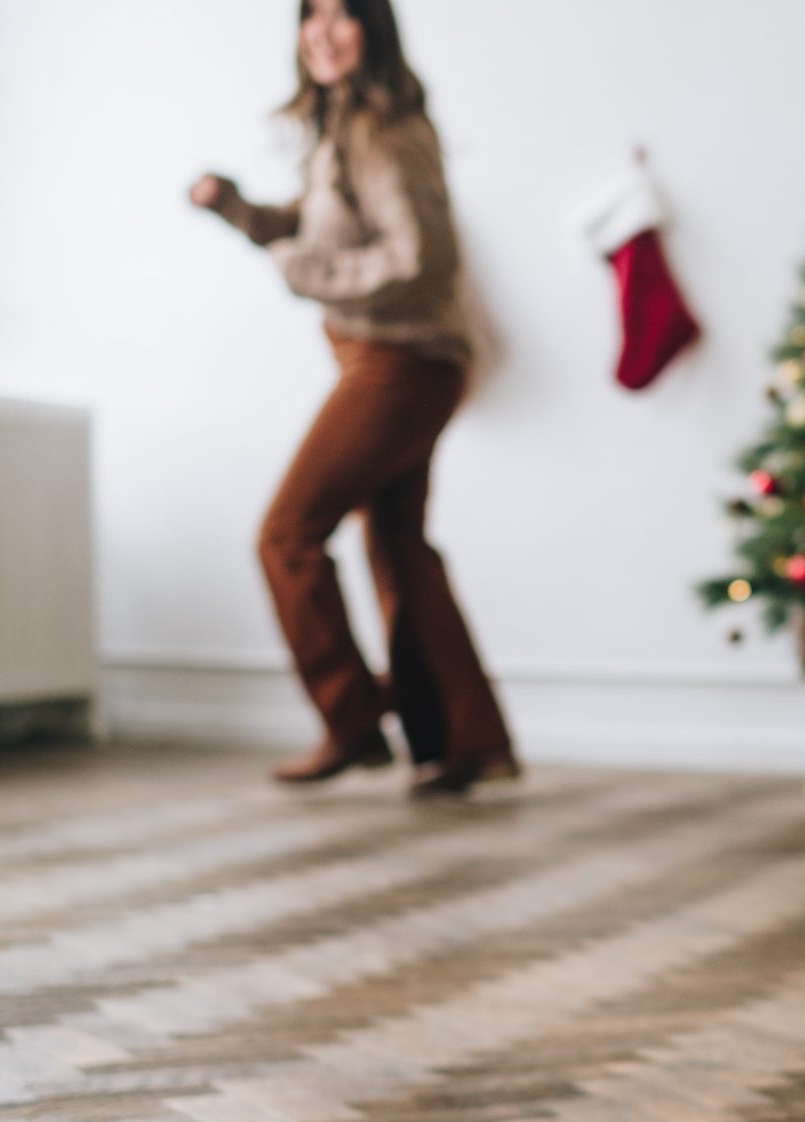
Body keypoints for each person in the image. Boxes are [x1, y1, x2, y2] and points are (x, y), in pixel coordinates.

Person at [190, 0, 515, 793]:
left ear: (374, 28)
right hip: (393, 359)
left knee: (287, 534)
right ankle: (462, 741)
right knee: (398, 544)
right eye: (311, 15)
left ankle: (355, 719)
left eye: (342, 15)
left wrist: (311, 275)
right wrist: (237, 209)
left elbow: (421, 260)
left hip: (401, 362)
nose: (322, 32)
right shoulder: (344, 130)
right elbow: (316, 223)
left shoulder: (386, 132)